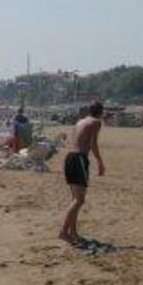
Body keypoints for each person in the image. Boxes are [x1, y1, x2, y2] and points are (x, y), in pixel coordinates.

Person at [60, 102, 106, 244]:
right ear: (101, 112)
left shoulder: (80, 121)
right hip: (79, 158)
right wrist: (100, 162)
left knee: (75, 199)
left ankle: (73, 232)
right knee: (79, 200)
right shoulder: (96, 122)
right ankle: (64, 231)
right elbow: (93, 144)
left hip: (70, 157)